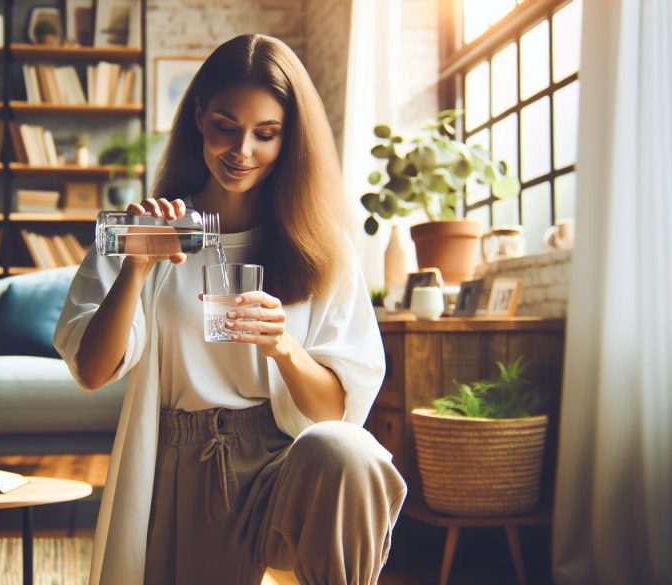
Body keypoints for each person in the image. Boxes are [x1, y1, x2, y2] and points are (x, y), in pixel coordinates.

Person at [54, 34, 406, 585]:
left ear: (289, 138)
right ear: (199, 116)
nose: (242, 150)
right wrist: (136, 268)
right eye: (226, 127)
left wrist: (284, 347)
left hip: (279, 465)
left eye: (265, 134)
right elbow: (92, 371)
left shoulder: (324, 249)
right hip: (181, 461)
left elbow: (335, 414)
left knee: (347, 451)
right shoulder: (147, 231)